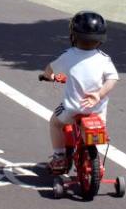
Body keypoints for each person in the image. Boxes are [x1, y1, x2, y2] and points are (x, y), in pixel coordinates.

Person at [40, 11, 119, 174]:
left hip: (73, 108)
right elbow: (113, 79)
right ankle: (90, 156)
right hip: (96, 110)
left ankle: (59, 157)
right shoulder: (104, 58)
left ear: (73, 36)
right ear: (101, 39)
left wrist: (49, 76)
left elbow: (49, 70)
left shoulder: (67, 55)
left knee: (55, 123)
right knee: (94, 131)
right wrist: (98, 95)